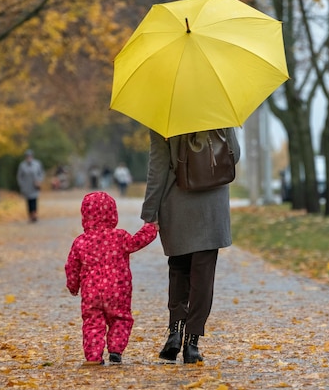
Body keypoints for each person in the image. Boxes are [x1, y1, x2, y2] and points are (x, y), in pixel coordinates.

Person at [141, 128, 240, 364]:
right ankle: (192, 343)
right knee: (203, 275)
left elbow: (158, 167)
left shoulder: (162, 118)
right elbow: (233, 155)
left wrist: (150, 211)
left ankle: (175, 331)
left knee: (178, 268)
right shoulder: (220, 112)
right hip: (211, 203)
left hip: (176, 201)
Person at [65, 191, 158, 365]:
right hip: (118, 290)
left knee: (92, 323)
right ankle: (115, 350)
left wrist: (73, 286)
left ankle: (93, 357)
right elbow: (137, 241)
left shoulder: (81, 242)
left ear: (85, 215)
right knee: (121, 318)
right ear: (113, 214)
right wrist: (151, 228)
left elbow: (72, 267)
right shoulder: (120, 237)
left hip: (91, 292)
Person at [16, 149, 44, 222]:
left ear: (32, 156)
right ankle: (30, 215)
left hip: (34, 186)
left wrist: (39, 181)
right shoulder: (22, 165)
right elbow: (19, 176)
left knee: (34, 200)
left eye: (30, 156)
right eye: (27, 156)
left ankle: (34, 214)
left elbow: (41, 173)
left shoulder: (37, 164)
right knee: (28, 201)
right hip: (26, 186)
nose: (29, 157)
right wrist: (21, 184)